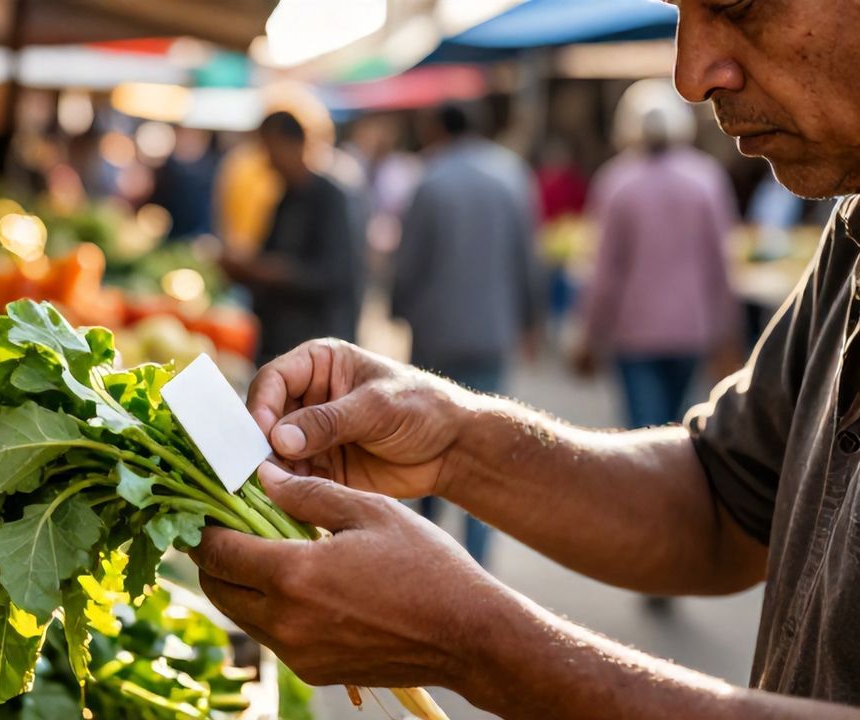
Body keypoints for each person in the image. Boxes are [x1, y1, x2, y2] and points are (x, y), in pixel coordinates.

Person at [190, 0, 860, 715]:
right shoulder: (847, 234)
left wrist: (471, 638)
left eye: (738, 5)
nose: (691, 76)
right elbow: (724, 494)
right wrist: (451, 434)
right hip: (548, 331)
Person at [392, 102, 543, 567]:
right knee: (485, 447)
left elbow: (408, 262)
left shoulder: (430, 180)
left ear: (438, 127)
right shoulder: (510, 176)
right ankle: (477, 562)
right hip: (491, 331)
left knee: (427, 441)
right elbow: (528, 257)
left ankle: (425, 552)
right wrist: (531, 321)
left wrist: (399, 309)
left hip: (436, 332)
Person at [576, 82, 740, 434]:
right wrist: (726, 332)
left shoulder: (617, 181)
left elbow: (604, 272)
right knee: (677, 429)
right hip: (692, 329)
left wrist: (589, 335)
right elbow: (721, 265)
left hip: (634, 331)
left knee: (643, 433)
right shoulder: (705, 179)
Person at [221, 112, 361, 365]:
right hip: (280, 339)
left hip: (317, 344)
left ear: (296, 144)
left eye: (272, 148)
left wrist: (267, 271)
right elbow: (267, 254)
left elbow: (333, 274)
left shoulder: (329, 199)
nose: (269, 160)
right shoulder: (285, 199)